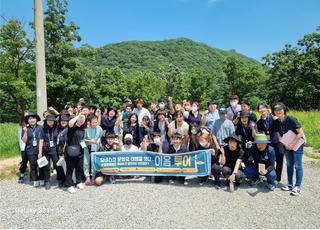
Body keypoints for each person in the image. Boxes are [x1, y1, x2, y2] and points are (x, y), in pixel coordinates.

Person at [273, 102, 305, 196]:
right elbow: (279, 134)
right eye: (276, 110)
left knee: (298, 165)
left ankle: (297, 186)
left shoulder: (291, 119)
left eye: (280, 109)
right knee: (289, 164)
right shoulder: (276, 122)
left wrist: (293, 144)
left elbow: (300, 132)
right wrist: (285, 143)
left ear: (284, 110)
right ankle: (290, 183)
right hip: (287, 145)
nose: (278, 111)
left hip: (297, 144)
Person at [255, 103, 284, 183]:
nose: (262, 110)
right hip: (268, 143)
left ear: (267, 109)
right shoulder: (259, 122)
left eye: (264, 108)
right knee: (269, 159)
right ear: (258, 111)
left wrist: (272, 113)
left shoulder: (272, 117)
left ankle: (278, 177)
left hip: (277, 141)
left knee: (280, 157)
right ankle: (268, 175)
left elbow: (278, 121)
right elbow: (260, 133)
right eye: (260, 108)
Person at [65, 112, 87, 193]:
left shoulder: (82, 129)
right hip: (72, 150)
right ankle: (69, 185)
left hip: (80, 151)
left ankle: (79, 182)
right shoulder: (72, 127)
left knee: (79, 167)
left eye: (83, 119)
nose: (82, 120)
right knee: (70, 169)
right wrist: (78, 115)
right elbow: (70, 122)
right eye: (80, 118)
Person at [38, 114, 60, 189]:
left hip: (55, 150)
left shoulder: (57, 128)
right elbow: (41, 141)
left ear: (54, 121)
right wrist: (40, 152)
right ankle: (47, 181)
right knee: (46, 166)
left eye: (51, 120)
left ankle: (60, 179)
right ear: (46, 121)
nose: (50, 121)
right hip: (45, 150)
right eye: (48, 120)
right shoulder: (43, 129)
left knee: (57, 165)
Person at [21, 112, 43, 187]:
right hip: (30, 150)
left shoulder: (41, 127)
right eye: (30, 119)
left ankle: (41, 178)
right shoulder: (26, 129)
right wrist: (25, 132)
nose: (32, 120)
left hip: (40, 149)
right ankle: (35, 180)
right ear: (28, 121)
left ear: (36, 119)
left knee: (41, 165)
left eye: (33, 118)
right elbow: (24, 140)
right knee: (33, 166)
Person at [84, 116, 103, 185]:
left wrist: (98, 140)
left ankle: (93, 177)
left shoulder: (99, 128)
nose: (94, 124)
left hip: (95, 147)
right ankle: (87, 177)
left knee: (94, 163)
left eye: (96, 122)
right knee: (86, 162)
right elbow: (83, 139)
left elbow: (100, 136)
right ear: (90, 122)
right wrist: (90, 141)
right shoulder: (86, 128)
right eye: (93, 123)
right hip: (87, 147)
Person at [56, 115, 69, 187]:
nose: (63, 122)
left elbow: (66, 142)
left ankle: (68, 181)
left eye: (65, 121)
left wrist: (63, 152)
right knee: (63, 166)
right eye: (62, 121)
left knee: (66, 167)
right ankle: (64, 179)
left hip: (64, 151)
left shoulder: (67, 130)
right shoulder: (61, 129)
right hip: (59, 150)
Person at [18, 110, 29, 183]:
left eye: (28, 115)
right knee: (24, 161)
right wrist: (22, 146)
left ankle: (38, 176)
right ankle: (22, 175)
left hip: (33, 146)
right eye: (25, 115)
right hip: (24, 146)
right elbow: (20, 137)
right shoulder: (22, 125)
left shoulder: (35, 123)